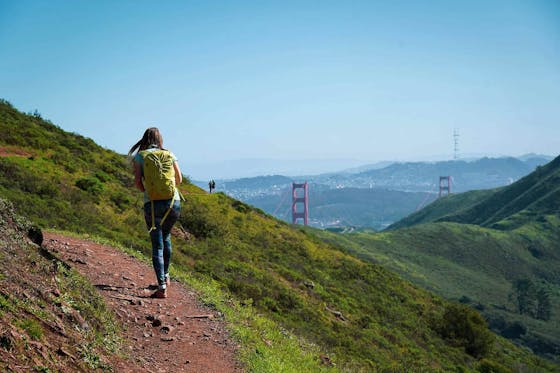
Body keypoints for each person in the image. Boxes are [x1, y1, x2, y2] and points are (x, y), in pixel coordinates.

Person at [129, 127, 182, 299]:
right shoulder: (169, 154)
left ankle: (161, 287)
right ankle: (166, 276)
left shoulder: (140, 156)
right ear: (160, 139)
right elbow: (179, 180)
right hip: (173, 203)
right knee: (166, 237)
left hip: (152, 205)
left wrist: (150, 192)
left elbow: (137, 182)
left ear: (144, 139)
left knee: (157, 244)